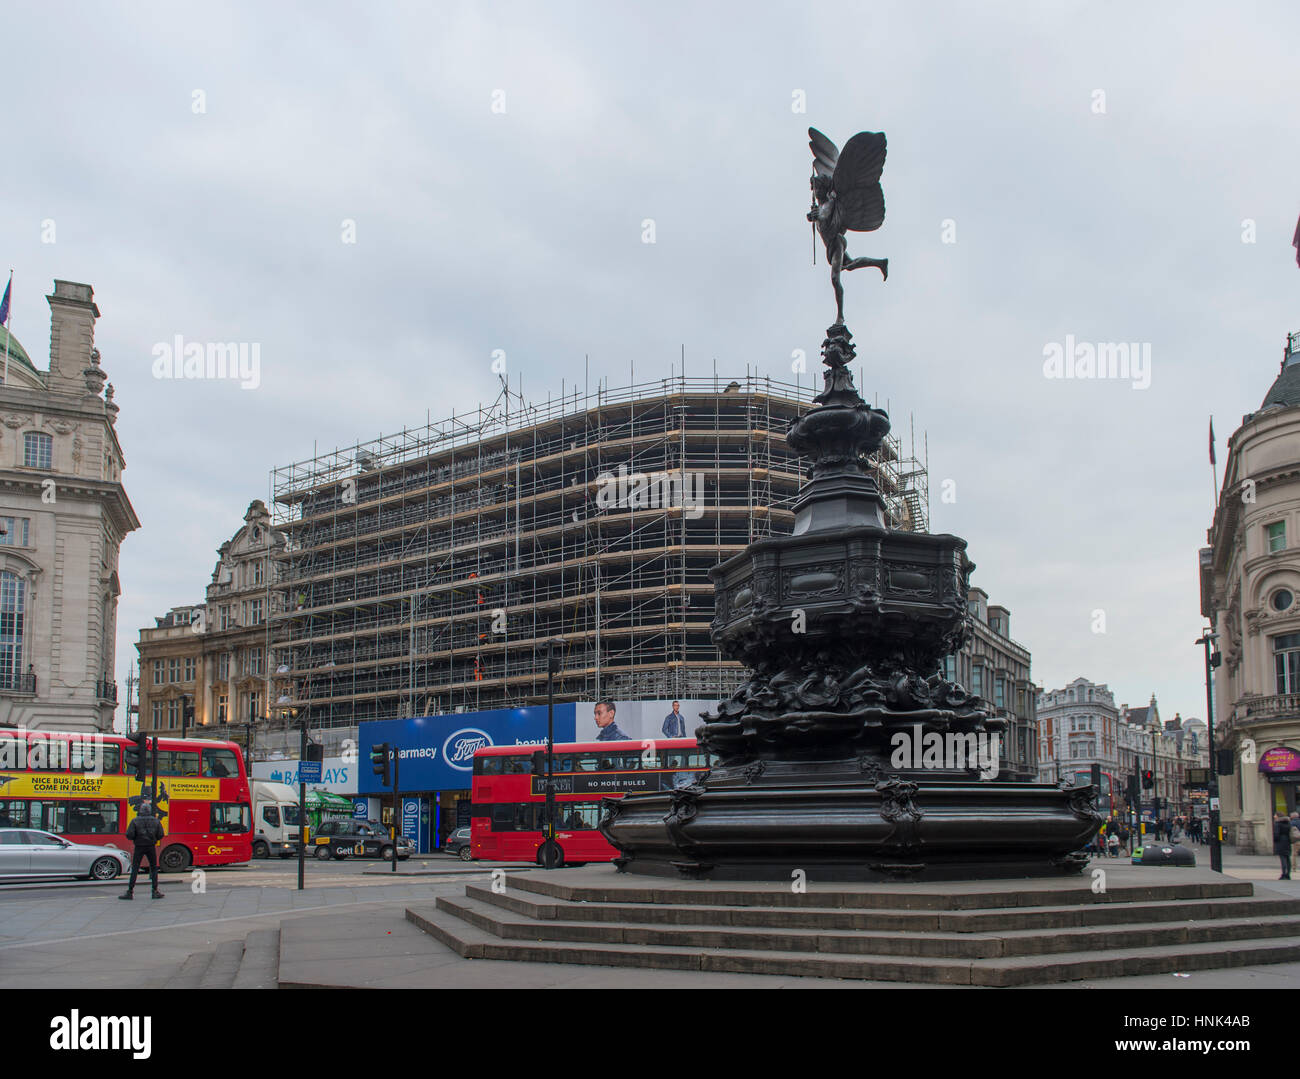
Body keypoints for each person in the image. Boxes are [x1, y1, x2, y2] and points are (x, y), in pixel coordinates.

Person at [120, 798, 166, 900]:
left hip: (139, 846)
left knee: (135, 868)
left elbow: (129, 835)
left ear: (140, 810)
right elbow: (161, 834)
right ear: (149, 811)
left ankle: (130, 891)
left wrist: (136, 838)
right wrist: (153, 838)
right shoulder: (156, 821)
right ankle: (155, 891)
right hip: (151, 846)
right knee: (153, 868)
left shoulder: (135, 821)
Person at [1274, 813, 1293, 880]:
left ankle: (1283, 874)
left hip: (1281, 842)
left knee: (1283, 858)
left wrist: (1275, 840)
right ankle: (1288, 874)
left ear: (1278, 816)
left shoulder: (1278, 824)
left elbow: (1276, 834)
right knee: (1288, 858)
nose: (1274, 816)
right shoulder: (1288, 823)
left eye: (1275, 815)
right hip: (1287, 841)